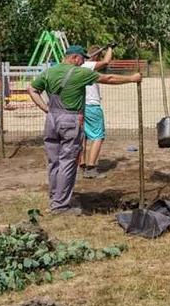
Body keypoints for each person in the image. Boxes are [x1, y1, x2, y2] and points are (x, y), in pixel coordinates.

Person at [28, 45, 141, 215]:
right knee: (68, 161)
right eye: (82, 58)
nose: (84, 61)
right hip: (70, 119)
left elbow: (32, 89)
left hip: (51, 119)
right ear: (74, 58)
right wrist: (132, 78)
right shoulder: (79, 73)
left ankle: (56, 198)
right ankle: (60, 206)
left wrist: (46, 108)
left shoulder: (49, 72)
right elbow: (108, 78)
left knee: (54, 162)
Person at [80, 44, 114, 179]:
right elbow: (106, 61)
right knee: (98, 137)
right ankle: (91, 167)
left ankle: (81, 166)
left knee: (82, 137)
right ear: (95, 57)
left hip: (81, 106)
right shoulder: (88, 66)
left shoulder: (77, 68)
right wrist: (111, 48)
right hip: (92, 107)